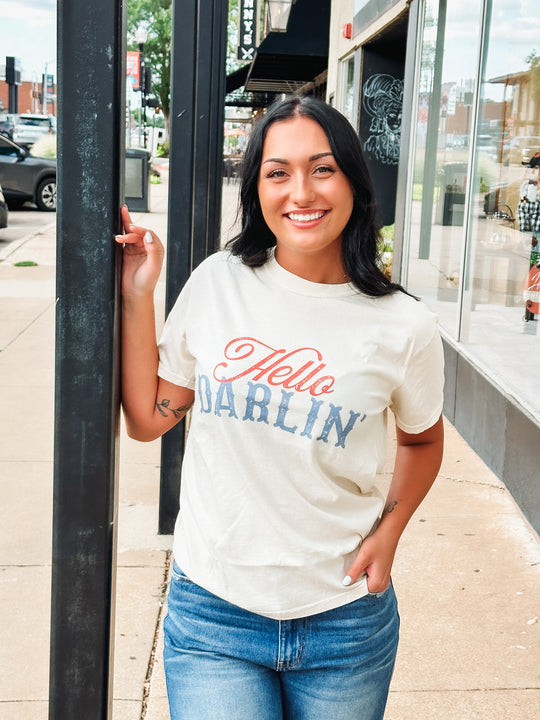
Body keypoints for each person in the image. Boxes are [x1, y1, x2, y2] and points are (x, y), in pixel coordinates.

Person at [116, 95, 445, 720]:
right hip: (215, 610)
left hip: (342, 620)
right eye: (277, 172)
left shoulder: (405, 326)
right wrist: (139, 294)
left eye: (322, 168)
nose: (301, 192)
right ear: (256, 189)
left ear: (352, 179)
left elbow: (423, 440)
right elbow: (149, 416)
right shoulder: (220, 282)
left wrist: (389, 533)